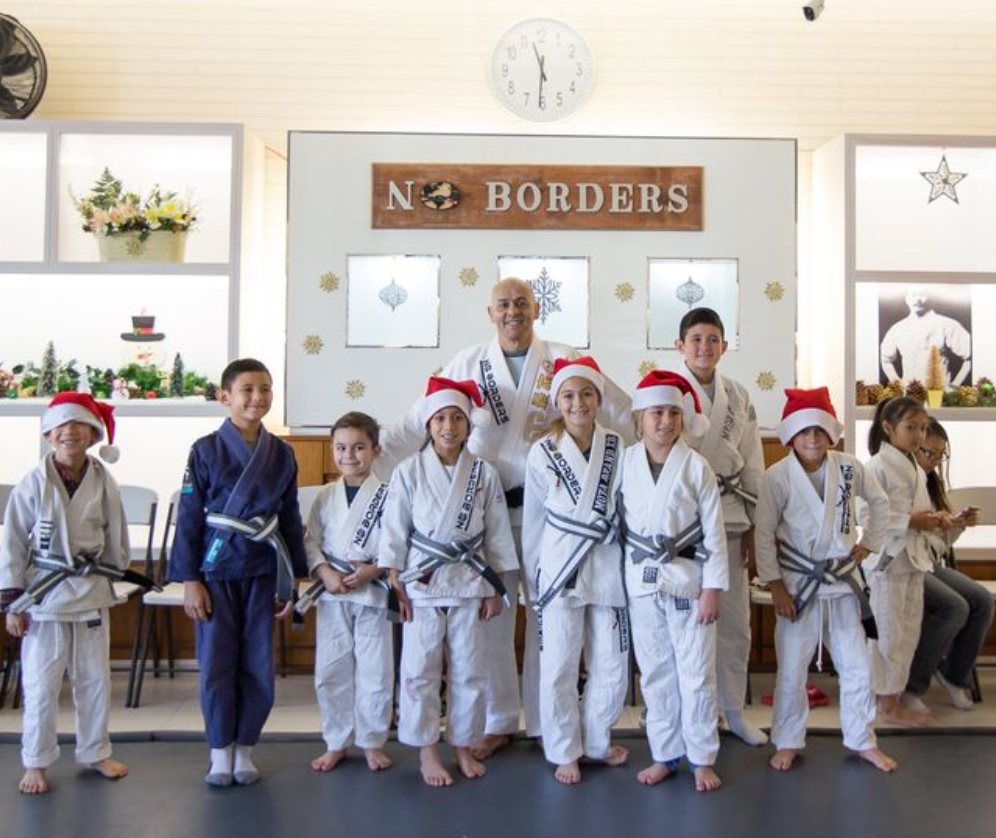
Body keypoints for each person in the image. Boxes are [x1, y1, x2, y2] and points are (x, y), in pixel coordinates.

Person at [380, 277, 633, 757]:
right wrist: (374, 463)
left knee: (548, 617)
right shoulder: (467, 362)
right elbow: (420, 421)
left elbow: (620, 408)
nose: (512, 312)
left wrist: (656, 445)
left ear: (536, 308)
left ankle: (545, 722)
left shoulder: (563, 356)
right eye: (503, 305)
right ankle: (499, 720)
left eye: (521, 303)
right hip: (484, 516)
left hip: (554, 518)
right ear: (489, 312)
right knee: (492, 619)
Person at [169, 358, 308, 787]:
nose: (257, 397)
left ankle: (245, 747)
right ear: (225, 396)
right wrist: (190, 580)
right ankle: (218, 752)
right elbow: (190, 516)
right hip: (216, 569)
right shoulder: (205, 449)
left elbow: (289, 517)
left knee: (258, 663)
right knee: (216, 664)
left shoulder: (281, 453)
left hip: (263, 568)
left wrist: (292, 580)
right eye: (247, 389)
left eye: (265, 389)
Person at [379, 377, 519, 787]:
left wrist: (496, 587)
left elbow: (496, 532)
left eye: (457, 418)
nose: (449, 427)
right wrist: (393, 577)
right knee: (420, 669)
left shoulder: (483, 473)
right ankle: (426, 752)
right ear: (428, 424)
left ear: (469, 424)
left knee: (470, 669)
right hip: (421, 582)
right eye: (440, 418)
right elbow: (394, 528)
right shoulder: (408, 471)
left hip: (471, 580)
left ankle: (462, 743)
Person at [756, 387, 897, 773]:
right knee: (792, 669)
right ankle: (787, 740)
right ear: (790, 436)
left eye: (820, 430)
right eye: (804, 432)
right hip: (799, 585)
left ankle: (862, 739)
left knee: (856, 666)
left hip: (842, 581)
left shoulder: (850, 467)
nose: (813, 438)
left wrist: (870, 542)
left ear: (831, 433)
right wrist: (775, 585)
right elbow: (764, 531)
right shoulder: (777, 477)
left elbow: (881, 503)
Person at [1, 393, 131, 794]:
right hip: (44, 594)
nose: (70, 433)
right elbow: (13, 544)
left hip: (90, 587)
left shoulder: (103, 479)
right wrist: (12, 601)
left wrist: (115, 572)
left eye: (79, 426)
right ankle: (36, 761)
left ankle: (95, 751)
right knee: (41, 682)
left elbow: (116, 533)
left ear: (93, 435)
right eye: (61, 426)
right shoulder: (32, 483)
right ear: (48, 434)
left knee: (94, 679)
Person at [523, 357, 629, 785]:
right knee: (560, 662)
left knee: (612, 659)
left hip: (607, 563)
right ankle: (564, 747)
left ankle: (599, 739)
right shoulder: (542, 450)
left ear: (599, 399)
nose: (578, 403)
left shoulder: (619, 446)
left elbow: (628, 508)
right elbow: (533, 520)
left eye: (586, 394)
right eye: (568, 395)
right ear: (557, 402)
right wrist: (534, 577)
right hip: (559, 566)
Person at [620, 371, 728, 792]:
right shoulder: (626, 462)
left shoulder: (696, 466)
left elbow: (714, 532)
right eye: (656, 413)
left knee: (697, 673)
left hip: (689, 582)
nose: (665, 421)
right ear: (639, 417)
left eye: (672, 413)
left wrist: (712, 590)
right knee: (656, 673)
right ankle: (665, 753)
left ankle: (702, 757)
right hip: (642, 581)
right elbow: (616, 524)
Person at [674, 307, 767, 746]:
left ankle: (733, 710)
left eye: (713, 339)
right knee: (690, 624)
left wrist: (754, 525)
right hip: (683, 526)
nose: (704, 348)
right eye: (696, 339)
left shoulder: (739, 395)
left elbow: (753, 462)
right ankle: (694, 712)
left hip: (731, 514)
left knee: (734, 623)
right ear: (680, 346)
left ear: (724, 346)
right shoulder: (667, 392)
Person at [300, 411, 394, 773]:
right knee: (331, 667)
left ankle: (372, 741)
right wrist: (324, 572)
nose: (349, 455)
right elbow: (312, 544)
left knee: (376, 669)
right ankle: (336, 740)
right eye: (341, 448)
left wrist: (375, 568)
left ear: (375, 450)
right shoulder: (324, 497)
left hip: (371, 593)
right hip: (334, 591)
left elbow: (396, 540)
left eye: (358, 447)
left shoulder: (388, 494)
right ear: (332, 450)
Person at [904, 417, 993, 712]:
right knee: (955, 607)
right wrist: (930, 524)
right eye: (928, 453)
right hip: (902, 564)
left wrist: (957, 525)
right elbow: (892, 532)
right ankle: (912, 686)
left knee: (981, 600)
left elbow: (937, 546)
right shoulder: (898, 477)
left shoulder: (931, 482)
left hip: (927, 562)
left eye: (940, 456)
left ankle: (954, 674)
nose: (933, 461)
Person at [862, 395, 941, 728]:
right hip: (887, 561)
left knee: (908, 631)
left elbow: (920, 515)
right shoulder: (876, 467)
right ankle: (885, 705)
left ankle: (893, 698)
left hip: (913, 559)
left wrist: (941, 521)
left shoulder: (913, 466)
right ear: (887, 427)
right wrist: (910, 521)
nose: (919, 436)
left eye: (922, 428)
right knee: (888, 634)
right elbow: (866, 514)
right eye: (911, 428)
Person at [880, 288, 971, 387]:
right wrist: (898, 385)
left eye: (922, 294)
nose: (917, 299)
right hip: (910, 396)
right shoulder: (897, 329)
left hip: (940, 395)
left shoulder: (947, 324)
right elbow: (886, 360)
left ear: (931, 298)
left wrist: (954, 386)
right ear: (907, 299)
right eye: (913, 295)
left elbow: (971, 357)